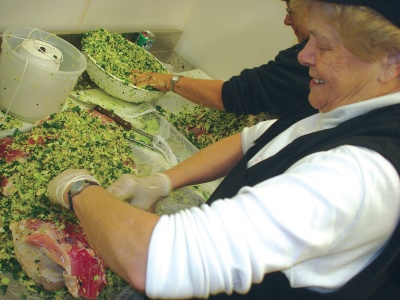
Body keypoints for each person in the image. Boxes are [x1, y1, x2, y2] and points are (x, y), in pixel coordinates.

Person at [47, 0, 400, 299]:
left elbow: (154, 257)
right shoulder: (345, 96)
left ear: (391, 62)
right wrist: (162, 182)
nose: (304, 56)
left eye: (323, 47)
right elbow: (256, 140)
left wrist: (78, 188)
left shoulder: (358, 176)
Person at [131, 0, 311, 117]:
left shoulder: (307, 58)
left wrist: (168, 81)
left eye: (291, 12)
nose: (286, 21)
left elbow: (237, 94)